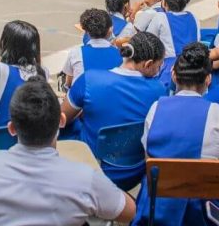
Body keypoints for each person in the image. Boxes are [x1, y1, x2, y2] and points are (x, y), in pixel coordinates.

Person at [0, 79, 135, 226]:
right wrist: (99, 182)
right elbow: (129, 212)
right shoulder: (85, 178)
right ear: (62, 121)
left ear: (11, 129)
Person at [133, 43, 219, 225]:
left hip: (157, 205)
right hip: (202, 209)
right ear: (208, 79)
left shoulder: (156, 107)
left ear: (174, 75)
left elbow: (148, 157)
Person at [63, 32, 167, 189]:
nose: (158, 72)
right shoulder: (159, 90)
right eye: (158, 67)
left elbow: (62, 117)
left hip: (95, 167)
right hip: (134, 171)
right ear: (148, 64)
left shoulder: (90, 80)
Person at [145, 0, 200, 89]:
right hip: (195, 65)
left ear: (164, 2)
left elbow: (148, 41)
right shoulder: (194, 17)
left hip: (169, 69)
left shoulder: (161, 17)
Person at [64, 9, 123, 88]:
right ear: (110, 31)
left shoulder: (76, 53)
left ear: (87, 32)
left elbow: (69, 83)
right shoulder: (120, 56)